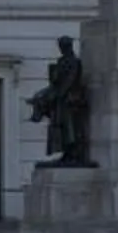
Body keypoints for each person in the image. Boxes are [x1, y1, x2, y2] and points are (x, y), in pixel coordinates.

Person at [26, 35, 94, 168]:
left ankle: (74, 153)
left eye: (64, 46)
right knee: (61, 127)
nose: (62, 48)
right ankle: (67, 153)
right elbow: (56, 80)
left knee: (70, 128)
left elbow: (70, 80)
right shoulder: (61, 61)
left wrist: (58, 94)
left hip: (69, 101)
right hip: (61, 100)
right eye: (61, 46)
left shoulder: (74, 62)